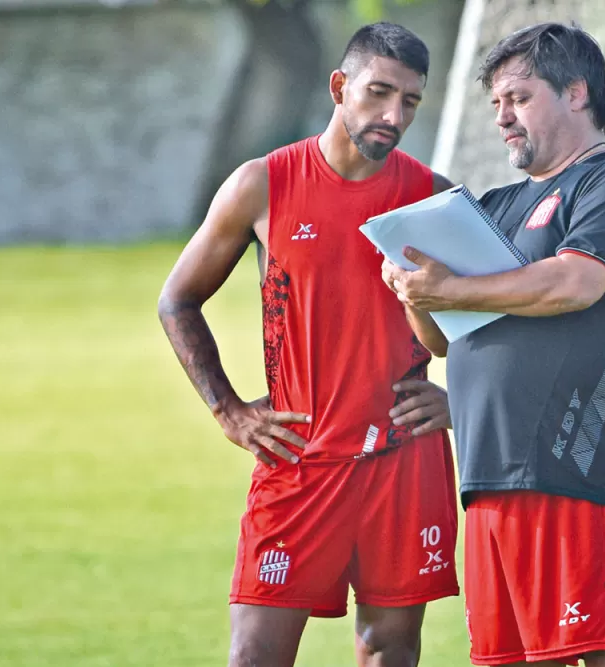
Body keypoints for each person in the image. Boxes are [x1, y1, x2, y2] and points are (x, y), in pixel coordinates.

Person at [157, 22, 460, 667]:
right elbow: (178, 300)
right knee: (256, 655)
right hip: (300, 457)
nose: (393, 115)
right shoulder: (263, 185)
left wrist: (455, 399)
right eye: (378, 93)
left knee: (390, 651)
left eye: (410, 101)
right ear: (338, 86)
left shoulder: (432, 197)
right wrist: (229, 411)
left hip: (404, 461)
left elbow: (492, 319)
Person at [382, 22, 605, 667]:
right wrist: (415, 291)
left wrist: (451, 286)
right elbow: (442, 341)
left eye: (518, 98)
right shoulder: (493, 205)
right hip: (488, 478)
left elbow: (574, 283)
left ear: (576, 93)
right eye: (495, 105)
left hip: (579, 472)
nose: (503, 119)